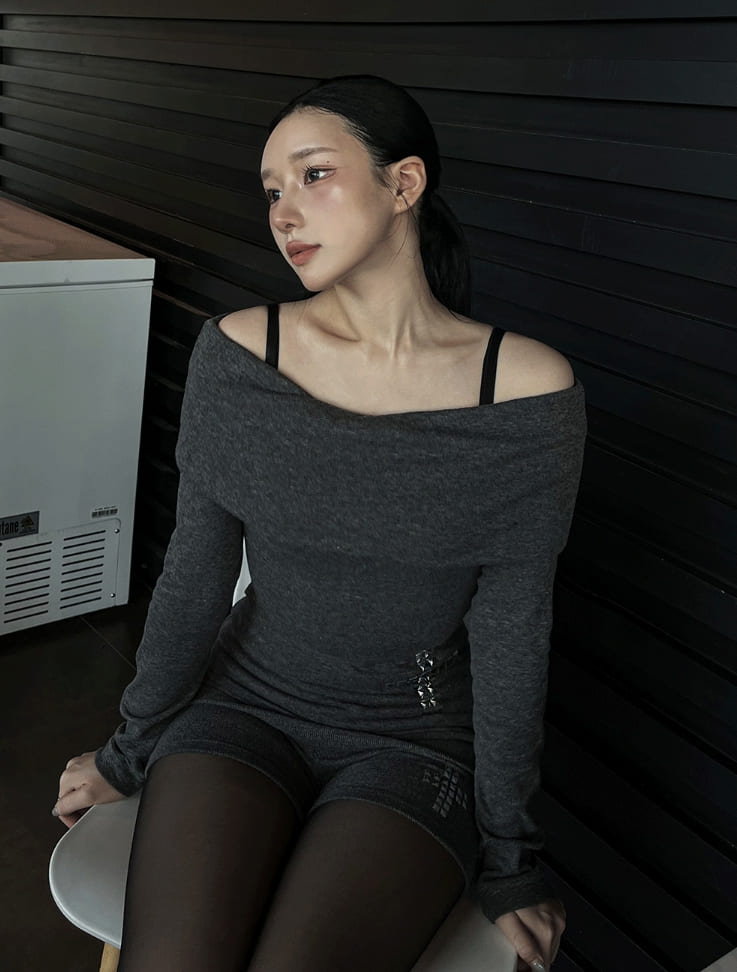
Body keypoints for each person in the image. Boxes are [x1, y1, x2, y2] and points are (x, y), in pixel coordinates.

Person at [54, 75, 586, 972]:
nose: (283, 212)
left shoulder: (525, 394)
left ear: (403, 183)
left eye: (311, 175)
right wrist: (129, 747)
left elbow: (512, 635)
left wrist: (510, 854)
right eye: (271, 189)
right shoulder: (240, 354)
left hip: (414, 743)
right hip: (240, 711)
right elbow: (194, 577)